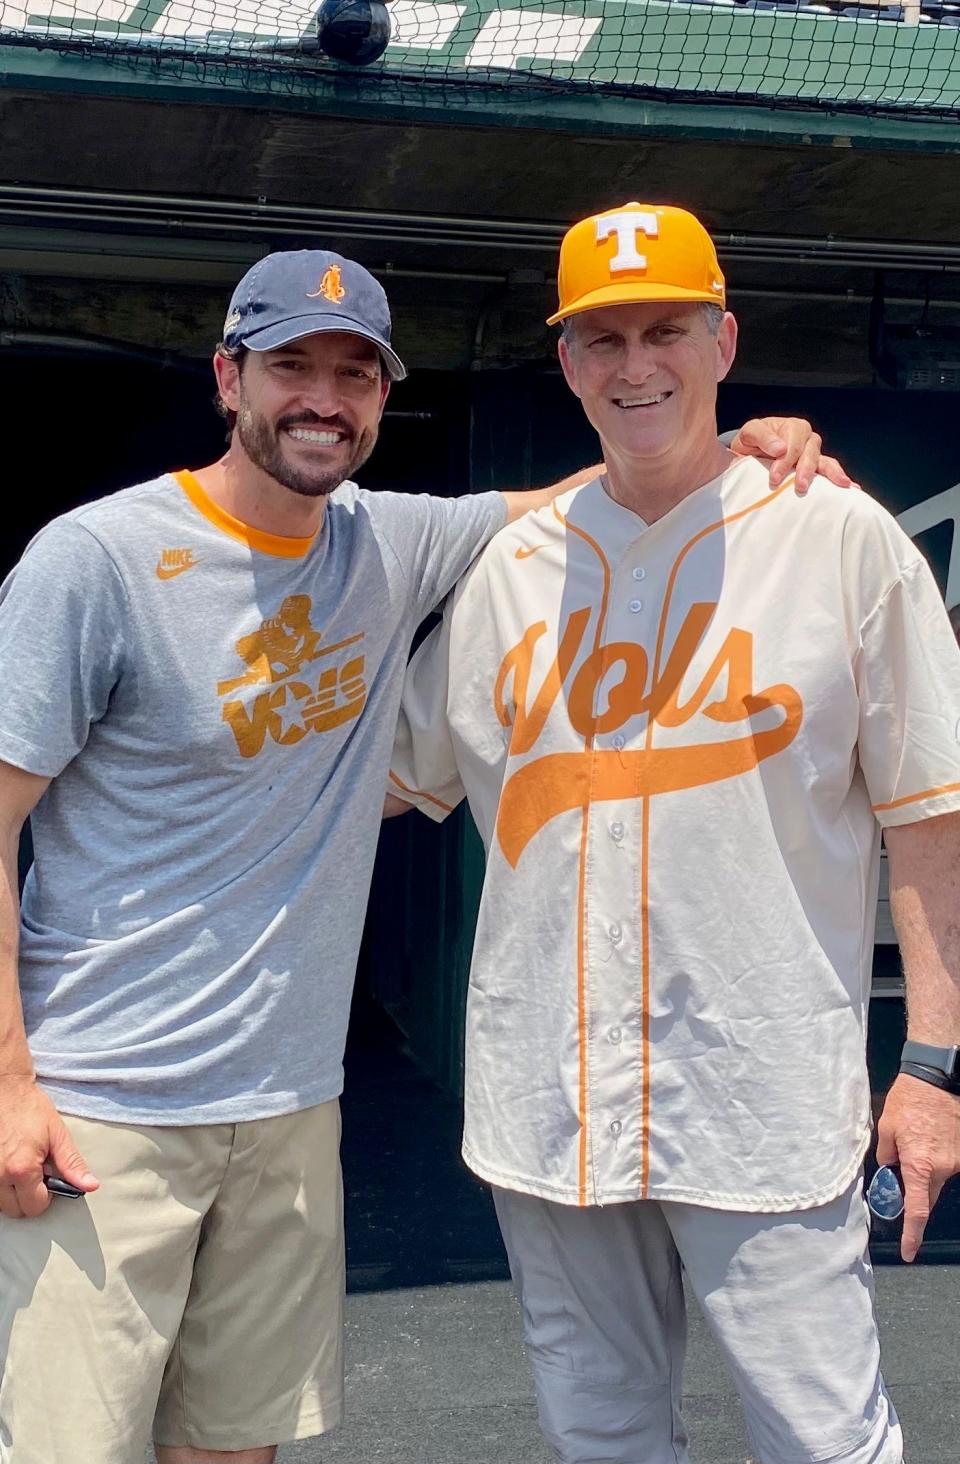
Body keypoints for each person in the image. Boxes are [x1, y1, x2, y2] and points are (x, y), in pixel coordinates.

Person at [0, 243, 846, 1464]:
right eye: (292, 364)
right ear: (227, 377)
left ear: (385, 397)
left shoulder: (389, 544)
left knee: (238, 1445)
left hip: (289, 1109)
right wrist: (13, 1085)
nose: (324, 400)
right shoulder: (100, 560)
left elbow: (591, 491)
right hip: (102, 1106)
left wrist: (744, 441)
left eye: (356, 373)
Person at [386, 204, 960, 1464]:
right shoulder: (510, 566)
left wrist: (931, 1068)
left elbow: (932, 816)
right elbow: (392, 778)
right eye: (604, 337)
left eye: (666, 330)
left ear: (722, 340)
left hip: (762, 1096)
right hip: (551, 1096)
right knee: (601, 1435)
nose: (636, 364)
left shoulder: (840, 536)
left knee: (826, 1440)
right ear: (570, 362)